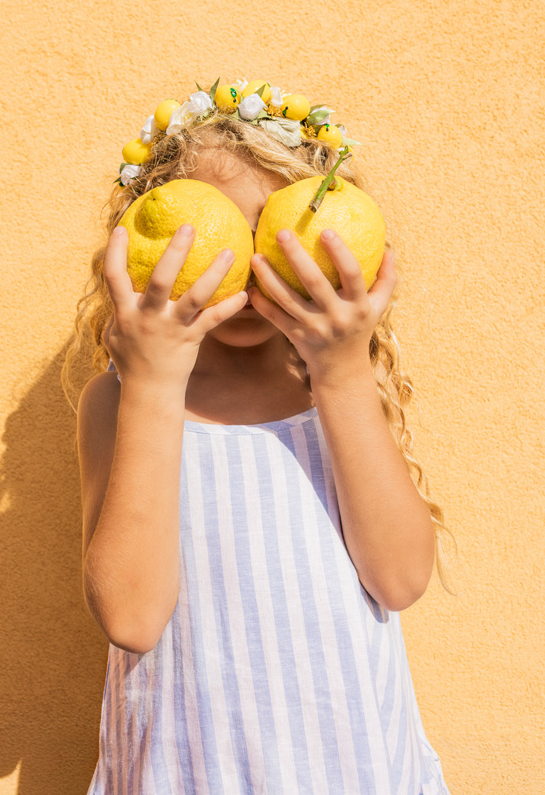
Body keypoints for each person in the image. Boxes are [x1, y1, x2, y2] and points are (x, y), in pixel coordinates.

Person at [62, 79, 455, 794]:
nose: (245, 270)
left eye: (274, 234)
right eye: (218, 235)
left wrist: (342, 371)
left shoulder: (335, 391)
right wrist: (153, 385)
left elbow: (400, 578)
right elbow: (132, 617)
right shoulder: (119, 401)